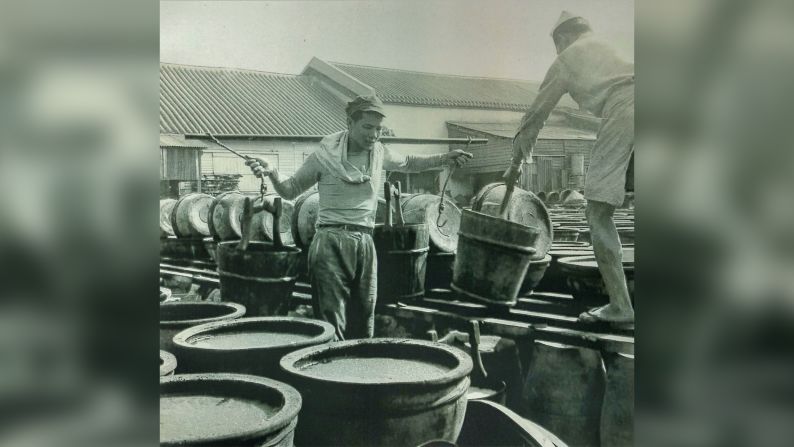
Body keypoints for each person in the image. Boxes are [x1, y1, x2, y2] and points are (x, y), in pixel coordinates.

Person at [246, 95, 472, 340]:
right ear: (349, 123)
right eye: (367, 127)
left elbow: (409, 162)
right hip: (330, 241)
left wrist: (444, 158)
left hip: (365, 242)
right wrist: (272, 172)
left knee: (365, 318)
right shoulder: (324, 156)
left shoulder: (379, 153)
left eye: (378, 130)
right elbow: (289, 190)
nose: (373, 135)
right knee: (331, 325)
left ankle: (360, 372)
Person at [504, 11, 634, 325]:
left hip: (626, 108)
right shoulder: (610, 47)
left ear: (562, 39)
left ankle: (620, 306)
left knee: (597, 212)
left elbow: (536, 115)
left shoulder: (566, 58)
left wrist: (515, 164)